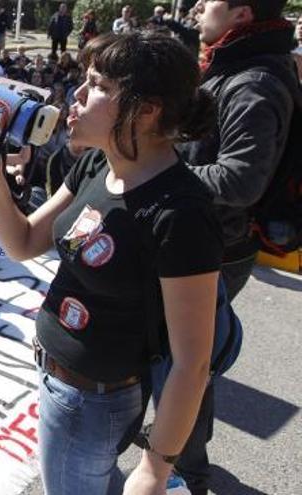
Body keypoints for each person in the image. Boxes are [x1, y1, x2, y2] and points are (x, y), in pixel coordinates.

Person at [0, 32, 221, 494]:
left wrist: (156, 467)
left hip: (90, 404)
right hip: (57, 382)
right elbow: (25, 241)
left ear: (146, 110)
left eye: (98, 85)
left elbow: (193, 361)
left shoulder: (181, 213)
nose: (78, 96)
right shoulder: (95, 165)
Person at [174, 2, 302, 493]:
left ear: (242, 15)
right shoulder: (240, 65)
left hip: (217, 247)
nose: (201, 6)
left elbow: (242, 179)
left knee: (185, 361)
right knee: (183, 356)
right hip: (212, 238)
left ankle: (186, 470)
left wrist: (161, 172)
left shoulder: (254, 82)